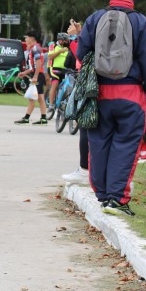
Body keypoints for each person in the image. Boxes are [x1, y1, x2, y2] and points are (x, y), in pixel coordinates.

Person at [77, 0, 146, 217]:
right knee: (126, 145)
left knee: (99, 143)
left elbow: (80, 53)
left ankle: (104, 195)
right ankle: (117, 199)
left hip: (99, 96)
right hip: (131, 96)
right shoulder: (140, 22)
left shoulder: (94, 19)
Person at [62, 19, 91, 185]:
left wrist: (74, 37)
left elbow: (82, 55)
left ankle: (85, 170)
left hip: (90, 85)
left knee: (86, 127)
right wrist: (80, 34)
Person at [14, 29, 48, 125]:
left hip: (38, 75)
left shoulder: (35, 49)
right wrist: (24, 73)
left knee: (32, 97)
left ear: (32, 38)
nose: (26, 39)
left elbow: (38, 63)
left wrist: (35, 77)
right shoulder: (35, 48)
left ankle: (26, 118)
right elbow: (33, 67)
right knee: (40, 97)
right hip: (37, 74)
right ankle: (43, 118)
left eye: (27, 37)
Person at [46, 33, 71, 118]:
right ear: (60, 40)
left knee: (66, 86)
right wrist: (60, 51)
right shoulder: (53, 45)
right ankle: (51, 105)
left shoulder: (67, 47)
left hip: (64, 70)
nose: (66, 42)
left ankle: (63, 105)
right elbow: (50, 57)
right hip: (53, 68)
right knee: (55, 84)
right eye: (65, 40)